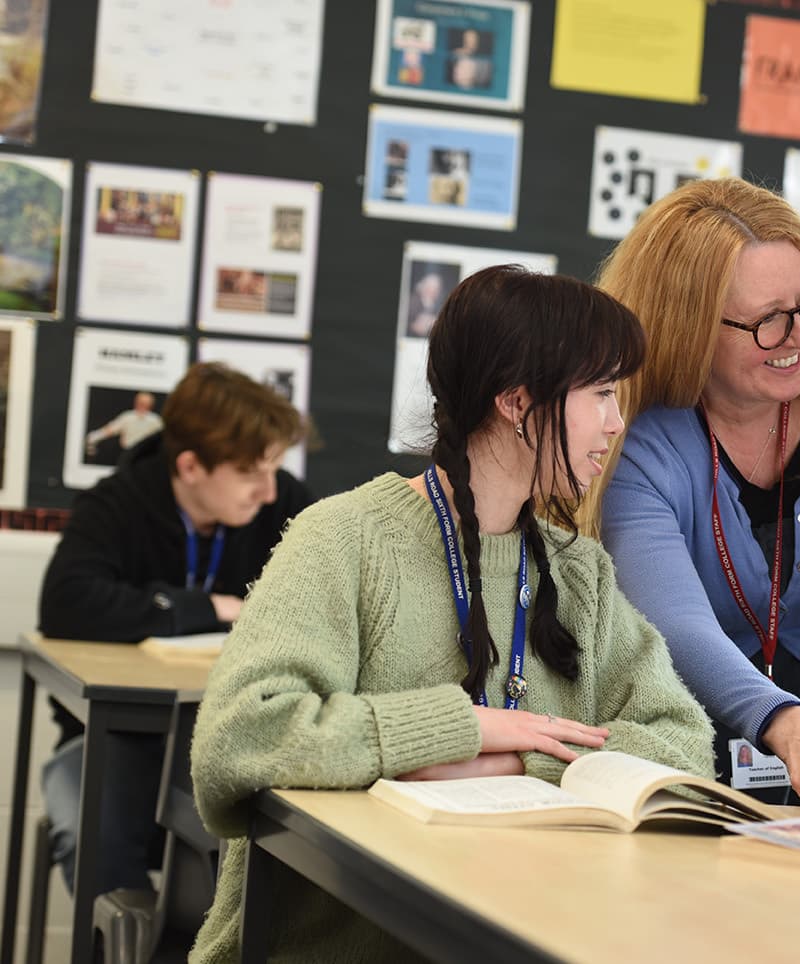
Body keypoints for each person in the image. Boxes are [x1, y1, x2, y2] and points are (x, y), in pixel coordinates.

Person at [188, 265, 713, 962]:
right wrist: (457, 727)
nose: (618, 425)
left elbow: (685, 743)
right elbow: (239, 738)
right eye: (603, 394)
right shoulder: (344, 539)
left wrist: (516, 761)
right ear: (517, 401)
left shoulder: (577, 570)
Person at [591, 177, 800, 808]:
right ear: (688, 327)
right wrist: (785, 723)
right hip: (682, 720)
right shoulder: (634, 435)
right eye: (768, 323)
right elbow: (675, 625)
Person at [38, 362, 311, 895]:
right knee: (92, 836)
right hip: (110, 737)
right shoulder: (116, 504)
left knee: (277, 851)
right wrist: (209, 607)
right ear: (190, 467)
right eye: (251, 473)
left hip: (235, 735)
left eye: (274, 469)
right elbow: (67, 602)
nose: (269, 490)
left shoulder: (285, 504)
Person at [84, 390, 163, 458]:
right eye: (141, 402)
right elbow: (110, 430)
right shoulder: (128, 417)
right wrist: (94, 437)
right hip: (129, 453)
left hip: (146, 455)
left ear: (150, 404)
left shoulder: (155, 420)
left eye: (145, 403)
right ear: (136, 402)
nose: (142, 405)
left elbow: (162, 436)